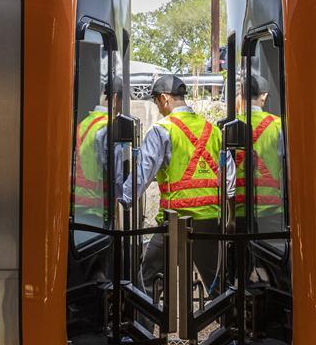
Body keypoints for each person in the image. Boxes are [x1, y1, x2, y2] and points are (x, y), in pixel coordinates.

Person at [122, 74, 234, 298]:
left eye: (156, 102)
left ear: (164, 98)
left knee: (147, 281)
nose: (158, 108)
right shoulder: (213, 131)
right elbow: (229, 179)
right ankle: (228, 319)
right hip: (209, 220)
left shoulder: (161, 130)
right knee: (218, 285)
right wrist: (229, 218)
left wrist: (123, 200)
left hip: (174, 221)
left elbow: (143, 173)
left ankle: (147, 321)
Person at [235, 74, 285, 235]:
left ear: (241, 96)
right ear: (263, 96)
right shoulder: (278, 126)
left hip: (237, 211)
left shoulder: (229, 127)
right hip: (271, 210)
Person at [72, 76, 123, 232]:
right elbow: (116, 174)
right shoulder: (108, 127)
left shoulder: (83, 124)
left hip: (77, 205)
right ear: (115, 98)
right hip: (97, 210)